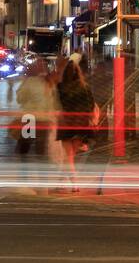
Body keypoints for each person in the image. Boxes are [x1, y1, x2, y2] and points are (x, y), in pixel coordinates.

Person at [55, 55, 96, 191]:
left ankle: (74, 184)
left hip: (66, 124)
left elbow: (57, 105)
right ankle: (61, 181)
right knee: (70, 156)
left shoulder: (61, 87)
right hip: (80, 125)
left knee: (69, 156)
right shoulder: (85, 87)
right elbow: (91, 106)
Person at [16, 58, 58, 188]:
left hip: (29, 119)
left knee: (24, 150)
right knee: (41, 152)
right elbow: (53, 103)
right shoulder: (49, 82)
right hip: (44, 121)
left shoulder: (29, 82)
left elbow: (20, 99)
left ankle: (25, 179)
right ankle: (42, 181)